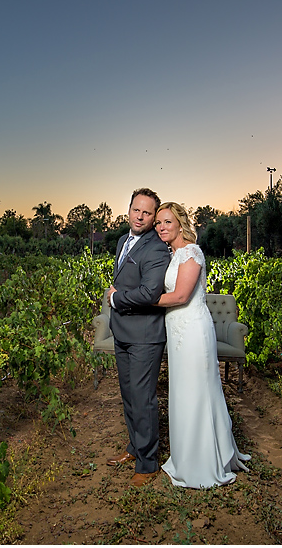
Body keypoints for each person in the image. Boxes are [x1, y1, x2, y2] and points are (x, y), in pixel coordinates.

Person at [153, 201, 250, 488]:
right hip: (178, 332)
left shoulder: (192, 252)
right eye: (159, 223)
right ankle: (186, 456)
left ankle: (203, 462)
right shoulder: (174, 254)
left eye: (167, 222)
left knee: (197, 391)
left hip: (193, 332)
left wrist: (143, 301)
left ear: (181, 223)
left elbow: (181, 296)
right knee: (183, 392)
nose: (161, 227)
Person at [105, 188, 172, 487]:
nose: (140, 216)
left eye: (147, 213)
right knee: (129, 395)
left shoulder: (156, 247)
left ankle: (148, 464)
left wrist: (116, 299)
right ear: (129, 209)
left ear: (153, 216)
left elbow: (150, 293)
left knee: (143, 399)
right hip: (123, 332)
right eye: (136, 210)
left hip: (145, 335)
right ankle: (135, 448)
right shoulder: (122, 240)